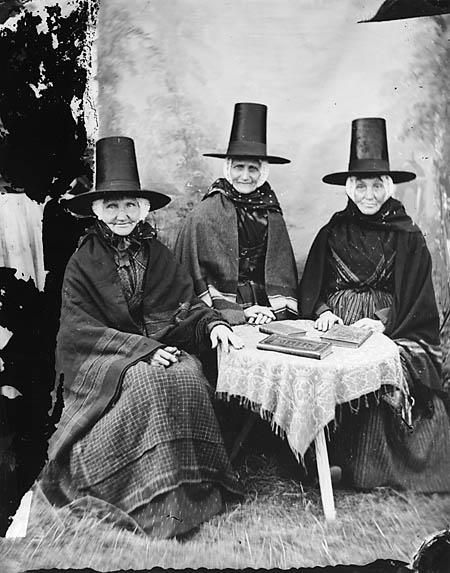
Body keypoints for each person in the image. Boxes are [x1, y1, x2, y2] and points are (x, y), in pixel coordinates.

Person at [40, 136, 244, 538]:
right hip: (108, 359)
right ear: (97, 210)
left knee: (188, 374)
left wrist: (214, 324)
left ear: (143, 208)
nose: (122, 214)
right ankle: (144, 496)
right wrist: (141, 352)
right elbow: (78, 330)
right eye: (112, 205)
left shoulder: (157, 253)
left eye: (130, 204)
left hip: (160, 348)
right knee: (148, 382)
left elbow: (185, 306)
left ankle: (191, 491)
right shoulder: (82, 262)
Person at [298, 118, 450, 492]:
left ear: (388, 186)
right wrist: (323, 312)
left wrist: (382, 323)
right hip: (335, 329)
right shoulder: (333, 230)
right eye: (360, 185)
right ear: (349, 188)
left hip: (388, 328)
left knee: (383, 368)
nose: (368, 194)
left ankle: (372, 467)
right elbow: (312, 289)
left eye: (376, 185)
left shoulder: (408, 236)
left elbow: (416, 298)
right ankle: (324, 457)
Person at [174, 103, 298, 327]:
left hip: (268, 303)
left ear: (262, 172)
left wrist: (268, 310)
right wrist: (242, 311)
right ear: (228, 169)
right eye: (239, 167)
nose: (245, 176)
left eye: (253, 168)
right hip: (222, 305)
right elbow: (191, 278)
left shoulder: (271, 212)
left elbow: (281, 272)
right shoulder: (204, 213)